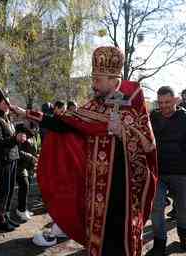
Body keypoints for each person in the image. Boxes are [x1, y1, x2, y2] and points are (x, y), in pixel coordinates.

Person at [11, 46, 158, 256]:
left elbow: (149, 147)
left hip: (122, 193)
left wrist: (123, 133)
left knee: (118, 241)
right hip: (95, 188)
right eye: (93, 78)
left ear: (112, 78)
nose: (93, 84)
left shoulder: (133, 103)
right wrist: (27, 113)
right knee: (97, 238)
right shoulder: (94, 106)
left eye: (98, 80)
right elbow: (65, 124)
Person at [149, 86, 186, 255]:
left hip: (181, 172)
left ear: (175, 100)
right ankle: (159, 242)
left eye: (167, 102)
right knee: (156, 208)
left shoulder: (184, 117)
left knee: (183, 209)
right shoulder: (153, 117)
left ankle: (184, 237)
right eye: (161, 102)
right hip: (159, 172)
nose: (163, 106)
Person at [0, 94, 22, 231]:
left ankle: (7, 216)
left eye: (8, 103)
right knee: (3, 191)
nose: (7, 106)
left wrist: (19, 138)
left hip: (12, 158)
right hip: (3, 160)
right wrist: (16, 139)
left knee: (9, 191)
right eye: (4, 103)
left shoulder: (7, 119)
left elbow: (11, 139)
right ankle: (1, 220)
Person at [15, 124, 37, 221]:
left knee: (26, 188)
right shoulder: (21, 133)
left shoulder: (32, 135)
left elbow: (33, 149)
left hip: (28, 166)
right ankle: (21, 210)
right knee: (24, 186)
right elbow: (18, 151)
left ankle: (23, 208)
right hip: (20, 165)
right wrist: (30, 157)